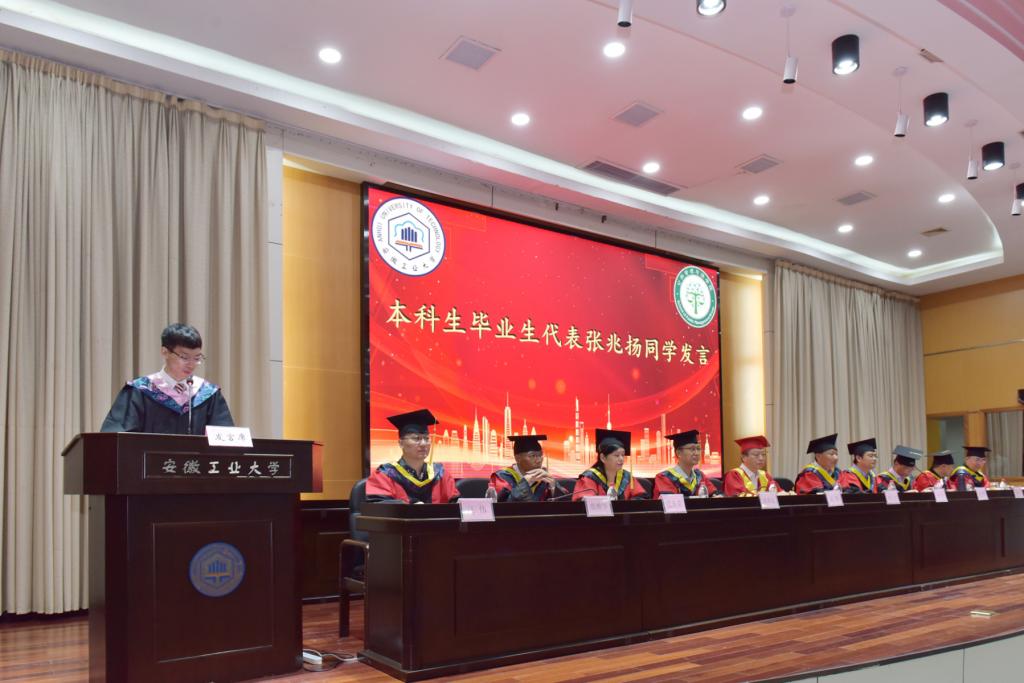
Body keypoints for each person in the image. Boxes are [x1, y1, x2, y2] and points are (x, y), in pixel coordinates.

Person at [100, 323, 233, 434]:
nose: (191, 364)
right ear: (165, 352)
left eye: (197, 358)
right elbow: (117, 436)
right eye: (184, 357)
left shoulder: (207, 393)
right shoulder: (140, 390)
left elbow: (225, 437)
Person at [366, 409, 459, 504]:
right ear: (401, 443)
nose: (423, 444)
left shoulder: (441, 474)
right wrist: (411, 508)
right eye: (416, 438)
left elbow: (457, 506)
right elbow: (378, 508)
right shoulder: (385, 475)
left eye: (426, 438)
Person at [572, 429, 649, 501]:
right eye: (616, 455)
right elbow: (585, 503)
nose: (621, 459)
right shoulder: (589, 477)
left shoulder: (627, 477)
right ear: (603, 458)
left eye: (623, 455)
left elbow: (641, 497)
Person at [490, 435, 563, 502]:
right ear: (517, 458)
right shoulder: (502, 477)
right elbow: (503, 506)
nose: (539, 460)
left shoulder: (545, 478)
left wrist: (553, 488)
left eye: (540, 455)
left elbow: (565, 506)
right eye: (532, 456)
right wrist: (526, 482)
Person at [652, 430, 718, 498]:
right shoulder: (665, 477)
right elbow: (670, 501)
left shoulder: (700, 476)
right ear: (679, 453)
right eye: (692, 449)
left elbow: (715, 493)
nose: (696, 453)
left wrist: (717, 496)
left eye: (698, 449)